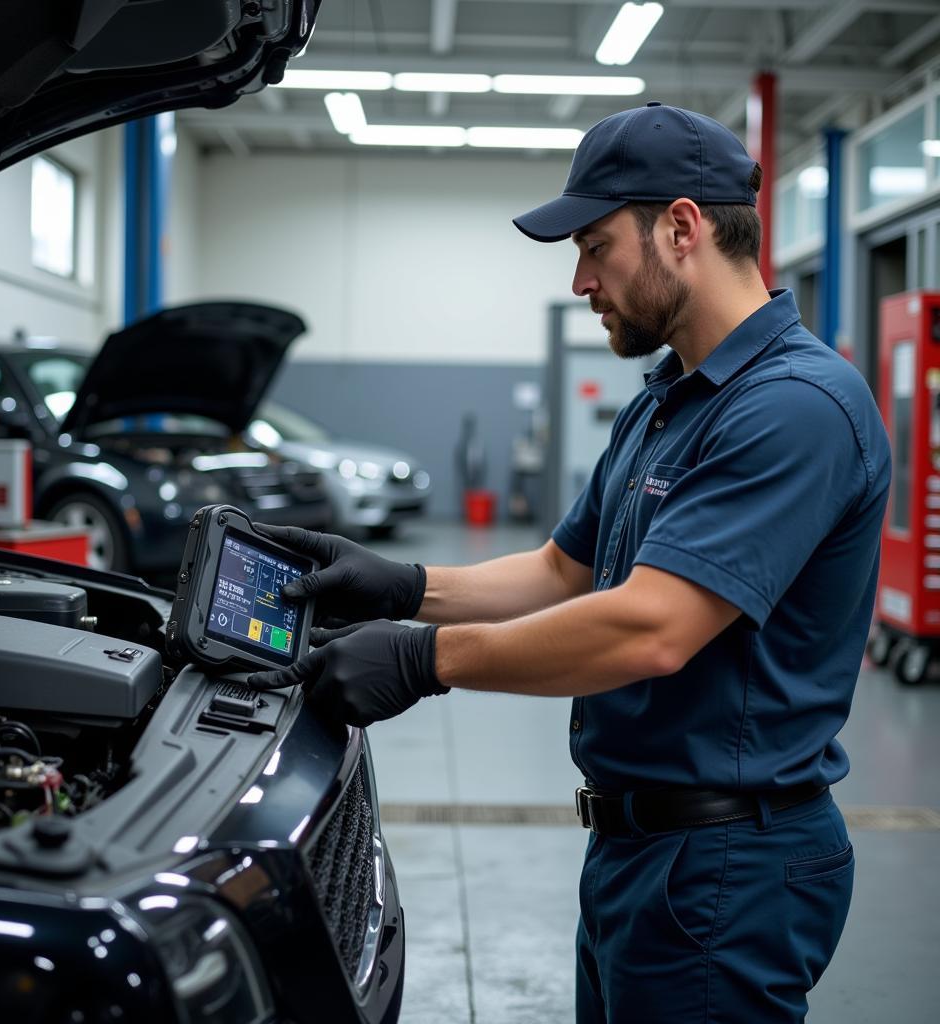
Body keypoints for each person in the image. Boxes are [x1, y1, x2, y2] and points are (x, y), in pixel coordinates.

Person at [253, 102, 891, 1023]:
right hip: (640, 854)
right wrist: (405, 586)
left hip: (728, 866)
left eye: (597, 246)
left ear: (682, 226)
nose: (583, 279)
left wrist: (423, 660)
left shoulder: (795, 406)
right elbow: (564, 570)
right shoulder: (668, 400)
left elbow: (652, 627)